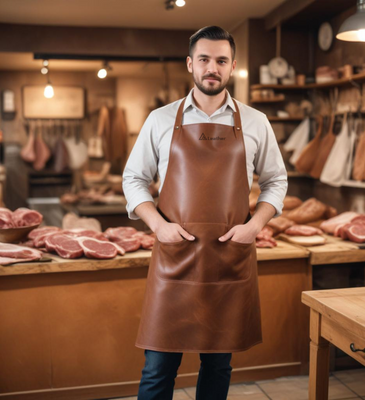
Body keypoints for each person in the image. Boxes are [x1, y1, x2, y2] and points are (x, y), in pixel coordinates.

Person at [122, 25, 288, 400]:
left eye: (221, 61)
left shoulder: (256, 121)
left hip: (229, 258)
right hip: (174, 259)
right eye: (204, 60)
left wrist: (255, 226)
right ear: (190, 64)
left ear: (232, 67)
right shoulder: (161, 119)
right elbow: (133, 179)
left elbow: (277, 181)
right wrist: (157, 225)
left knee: (218, 365)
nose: (212, 68)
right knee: (157, 368)